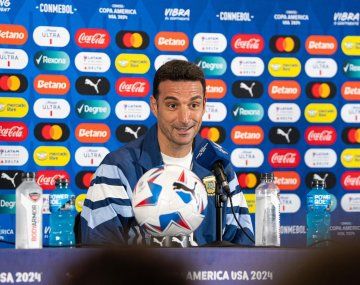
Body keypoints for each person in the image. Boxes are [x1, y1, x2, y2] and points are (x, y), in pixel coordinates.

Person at [80, 60, 254, 246]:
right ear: (154, 106)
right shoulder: (117, 168)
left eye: (193, 105)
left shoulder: (218, 164)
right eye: (172, 106)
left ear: (204, 105)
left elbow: (242, 250)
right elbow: (99, 252)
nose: (185, 119)